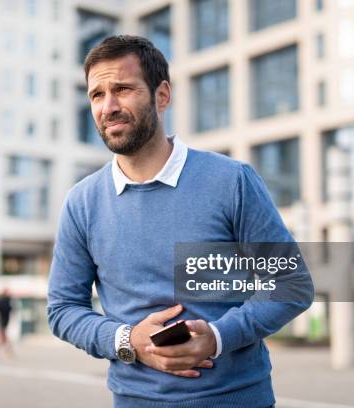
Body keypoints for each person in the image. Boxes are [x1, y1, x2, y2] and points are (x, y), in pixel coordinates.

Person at [47, 35, 314, 407]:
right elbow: (63, 309)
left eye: (123, 89)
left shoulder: (232, 181)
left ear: (162, 95)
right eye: (97, 95)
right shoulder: (81, 202)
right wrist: (126, 341)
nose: (108, 107)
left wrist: (218, 338)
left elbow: (291, 285)